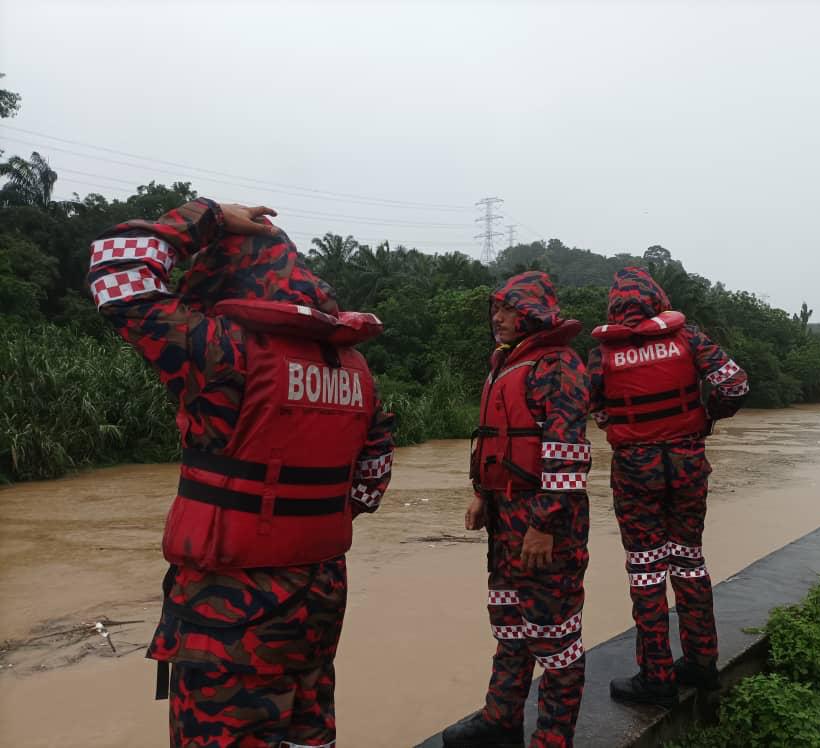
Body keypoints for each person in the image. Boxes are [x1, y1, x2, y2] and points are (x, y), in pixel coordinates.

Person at [87, 198, 395, 748]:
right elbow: (372, 476)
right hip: (320, 595)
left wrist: (205, 215)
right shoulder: (354, 366)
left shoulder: (225, 350)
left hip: (231, 607)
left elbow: (116, 269)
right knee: (308, 730)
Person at [443, 272, 591, 748]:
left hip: (544, 519)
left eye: (507, 310)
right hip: (504, 515)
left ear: (530, 314)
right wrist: (481, 493)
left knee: (554, 631)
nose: (497, 318)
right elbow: (490, 438)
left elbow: (567, 452)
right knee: (509, 621)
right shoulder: (505, 366)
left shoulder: (559, 365)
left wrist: (544, 524)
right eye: (495, 309)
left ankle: (552, 737)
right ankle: (501, 720)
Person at [588, 267, 748, 706]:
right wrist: (707, 418)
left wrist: (615, 422)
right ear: (657, 301)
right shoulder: (689, 338)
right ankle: (701, 662)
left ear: (615, 308)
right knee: (689, 561)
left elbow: (590, 404)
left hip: (635, 472)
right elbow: (735, 383)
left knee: (645, 569)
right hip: (687, 463)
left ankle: (655, 676)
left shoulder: (601, 354)